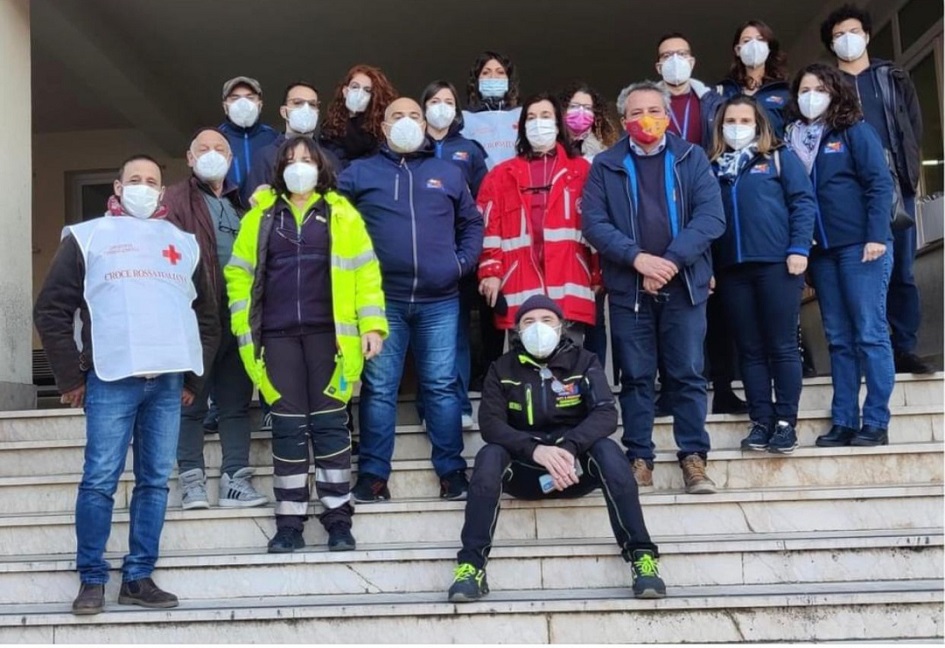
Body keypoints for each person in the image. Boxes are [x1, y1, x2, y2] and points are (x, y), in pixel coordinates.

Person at [34, 154, 219, 614]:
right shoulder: (88, 237)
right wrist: (70, 376)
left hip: (168, 384)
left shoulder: (183, 243)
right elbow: (51, 309)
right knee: (99, 480)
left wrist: (193, 377)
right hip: (110, 379)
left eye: (151, 181)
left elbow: (206, 316)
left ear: (162, 191)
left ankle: (138, 577)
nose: (143, 186)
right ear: (117, 187)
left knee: (155, 482)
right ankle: (91, 579)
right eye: (134, 179)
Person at [225, 137, 388, 553]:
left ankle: (338, 520)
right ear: (279, 169)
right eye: (290, 160)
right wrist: (245, 326)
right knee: (288, 430)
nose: (299, 166)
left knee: (332, 427)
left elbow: (367, 274)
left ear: (321, 167)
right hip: (276, 339)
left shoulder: (342, 214)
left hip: (330, 340)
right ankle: (289, 524)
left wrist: (372, 325)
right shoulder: (260, 215)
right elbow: (238, 275)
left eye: (307, 159)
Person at [447, 295, 665, 603]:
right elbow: (491, 424)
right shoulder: (502, 368)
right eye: (528, 321)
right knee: (489, 455)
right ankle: (471, 567)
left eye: (546, 320)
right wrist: (534, 450)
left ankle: (642, 558)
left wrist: (570, 446)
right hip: (525, 471)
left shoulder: (584, 361)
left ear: (561, 325)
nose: (538, 327)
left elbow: (606, 413)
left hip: (574, 470)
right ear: (517, 330)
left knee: (609, 452)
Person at [582, 81, 726, 494]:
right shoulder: (605, 165)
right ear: (623, 120)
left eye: (654, 111)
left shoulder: (691, 157)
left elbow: (711, 217)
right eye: (636, 113)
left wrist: (670, 262)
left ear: (667, 115)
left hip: (684, 285)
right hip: (630, 289)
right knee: (636, 376)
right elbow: (594, 223)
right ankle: (639, 458)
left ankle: (693, 458)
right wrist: (638, 259)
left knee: (688, 374)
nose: (646, 119)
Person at [338, 98, 484, 502]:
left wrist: (460, 264)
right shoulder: (360, 172)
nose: (406, 122)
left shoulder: (448, 172)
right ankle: (373, 476)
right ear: (383, 127)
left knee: (441, 385)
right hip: (381, 301)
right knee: (379, 387)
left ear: (425, 124)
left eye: (414, 116)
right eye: (397, 116)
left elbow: (472, 223)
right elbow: (330, 214)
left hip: (441, 300)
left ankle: (452, 472)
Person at [785, 63, 895, 448]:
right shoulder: (793, 141)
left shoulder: (854, 131)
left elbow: (879, 184)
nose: (810, 96)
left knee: (869, 332)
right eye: (804, 90)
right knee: (838, 338)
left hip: (862, 246)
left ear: (835, 93)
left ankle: (876, 420)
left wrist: (876, 235)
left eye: (819, 89)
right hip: (822, 252)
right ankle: (845, 420)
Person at [820, 4, 930, 375]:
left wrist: (908, 173)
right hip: (849, 195)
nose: (847, 39)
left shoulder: (892, 77)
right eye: (838, 35)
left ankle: (904, 348)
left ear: (867, 35)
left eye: (853, 32)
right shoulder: (827, 86)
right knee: (861, 273)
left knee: (901, 271)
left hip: (895, 186)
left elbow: (912, 127)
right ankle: (870, 350)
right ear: (831, 45)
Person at [163, 128, 269, 510]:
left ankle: (235, 481)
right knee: (190, 403)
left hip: (238, 319)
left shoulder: (243, 204)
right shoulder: (174, 200)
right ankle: (191, 481)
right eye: (203, 148)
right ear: (190, 158)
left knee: (235, 404)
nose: (212, 154)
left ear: (230, 159)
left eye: (220, 149)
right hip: (195, 319)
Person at [708, 97, 817, 454]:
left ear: (758, 124)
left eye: (745, 120)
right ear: (720, 126)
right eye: (731, 120)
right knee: (750, 350)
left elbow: (803, 202)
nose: (737, 126)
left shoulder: (779, 158)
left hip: (777, 265)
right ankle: (761, 420)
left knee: (782, 346)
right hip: (731, 270)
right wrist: (708, 268)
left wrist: (799, 248)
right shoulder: (711, 167)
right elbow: (703, 221)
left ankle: (785, 422)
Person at [655, 33, 746, 415]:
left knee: (718, 305)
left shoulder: (713, 102)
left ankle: (723, 386)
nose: (674, 60)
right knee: (668, 305)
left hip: (710, 206)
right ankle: (670, 389)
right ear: (658, 65)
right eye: (666, 56)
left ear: (692, 61)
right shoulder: (651, 104)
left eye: (681, 53)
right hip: (664, 212)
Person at [477, 92, 598, 343]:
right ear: (522, 127)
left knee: (570, 361)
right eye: (531, 117)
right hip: (519, 283)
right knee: (522, 364)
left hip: (570, 282)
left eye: (545, 115)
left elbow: (597, 226)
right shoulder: (500, 176)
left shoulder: (582, 171)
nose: (538, 122)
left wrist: (598, 273)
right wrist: (491, 271)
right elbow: (489, 231)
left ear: (558, 124)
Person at [419, 80, 490, 430]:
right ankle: (426, 408)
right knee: (421, 340)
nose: (441, 107)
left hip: (456, 259)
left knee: (456, 335)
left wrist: (468, 257)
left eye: (448, 101)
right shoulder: (411, 147)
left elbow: (482, 205)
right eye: (434, 100)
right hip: (417, 257)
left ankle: (459, 405)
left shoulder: (470, 151)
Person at [461, 51, 524, 391]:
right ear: (476, 79)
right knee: (483, 300)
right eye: (487, 72)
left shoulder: (522, 117)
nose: (494, 77)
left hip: (516, 217)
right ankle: (484, 371)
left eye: (500, 72)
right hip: (478, 216)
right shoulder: (464, 121)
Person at [559, 81, 621, 370]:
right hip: (562, 243)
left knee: (595, 319)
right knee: (561, 318)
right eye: (574, 106)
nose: (580, 113)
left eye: (587, 107)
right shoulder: (550, 150)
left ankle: (595, 381)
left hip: (595, 245)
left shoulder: (607, 154)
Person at [245, 82, 342, 197]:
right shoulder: (264, 157)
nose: (306, 109)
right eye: (298, 103)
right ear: (283, 111)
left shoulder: (330, 158)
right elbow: (254, 203)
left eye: (312, 104)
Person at [717, 20, 792, 139]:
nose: (754, 45)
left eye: (760, 40)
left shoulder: (784, 92)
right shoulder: (724, 91)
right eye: (746, 41)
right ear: (737, 50)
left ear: (769, 48)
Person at [320, 65, 398, 168]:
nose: (359, 93)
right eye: (355, 87)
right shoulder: (331, 125)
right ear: (345, 91)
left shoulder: (380, 128)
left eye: (367, 90)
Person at [218, 76, 279, 204]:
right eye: (235, 98)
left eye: (250, 98)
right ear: (225, 106)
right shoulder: (216, 139)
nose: (243, 103)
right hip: (226, 213)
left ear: (260, 104)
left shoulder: (273, 138)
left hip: (265, 211)